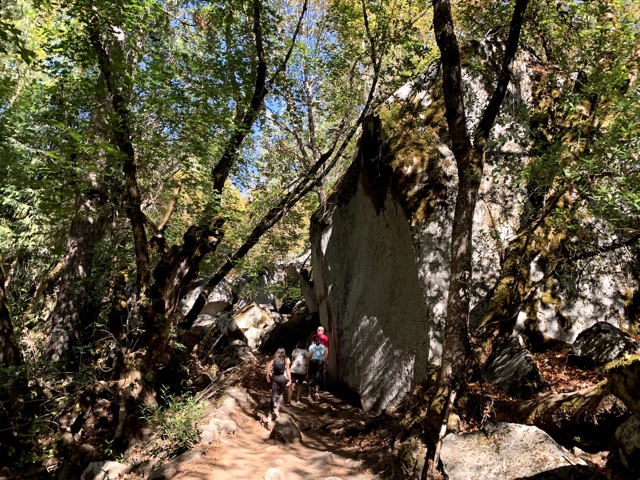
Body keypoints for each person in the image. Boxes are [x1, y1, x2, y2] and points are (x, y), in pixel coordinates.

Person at [265, 347, 291, 419]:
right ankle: (277, 409)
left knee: (273, 395)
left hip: (274, 377)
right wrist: (290, 379)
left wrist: (267, 376)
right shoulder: (286, 359)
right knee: (282, 394)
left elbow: (268, 367)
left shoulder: (274, 358)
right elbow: (288, 369)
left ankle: (270, 413)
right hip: (282, 378)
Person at [287, 340, 309, 405]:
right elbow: (307, 363)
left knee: (292, 384)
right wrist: (307, 373)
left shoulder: (294, 351)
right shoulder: (306, 352)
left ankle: (288, 400)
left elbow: (292, 360)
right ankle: (298, 399)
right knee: (300, 384)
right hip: (302, 370)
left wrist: (290, 368)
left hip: (294, 369)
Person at [307, 336, 327, 400]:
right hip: (320, 362)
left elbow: (310, 355)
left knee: (311, 376)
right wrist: (325, 363)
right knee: (318, 376)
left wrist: (308, 362)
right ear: (319, 341)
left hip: (313, 361)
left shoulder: (311, 346)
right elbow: (325, 355)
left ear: (314, 341)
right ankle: (317, 392)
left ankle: (309, 394)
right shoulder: (323, 347)